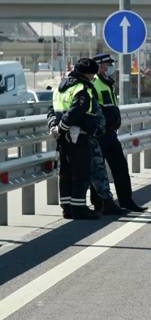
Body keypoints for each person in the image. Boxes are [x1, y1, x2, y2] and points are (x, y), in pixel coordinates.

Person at [46, 58, 104, 220]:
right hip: (78, 135)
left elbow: (51, 109)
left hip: (63, 137)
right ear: (87, 74)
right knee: (81, 173)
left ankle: (67, 208)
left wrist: (55, 127)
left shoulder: (61, 88)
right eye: (92, 74)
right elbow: (77, 111)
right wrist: (65, 127)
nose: (93, 77)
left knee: (66, 172)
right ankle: (79, 209)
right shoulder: (82, 88)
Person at [89, 53, 147, 213]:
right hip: (99, 133)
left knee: (120, 167)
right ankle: (100, 204)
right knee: (98, 170)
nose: (109, 67)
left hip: (110, 133)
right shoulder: (94, 83)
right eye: (106, 64)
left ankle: (126, 201)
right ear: (99, 65)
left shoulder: (107, 83)